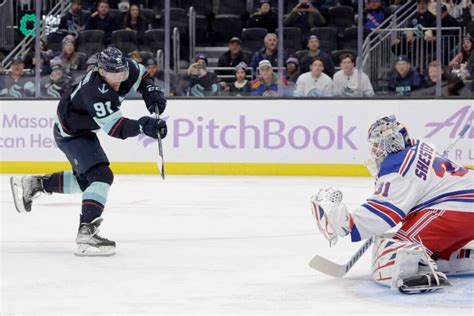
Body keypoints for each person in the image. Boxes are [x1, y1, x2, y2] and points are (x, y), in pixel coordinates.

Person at [9, 47, 167, 256]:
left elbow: (143, 76)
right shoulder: (94, 91)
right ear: (101, 71)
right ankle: (87, 231)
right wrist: (142, 125)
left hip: (82, 129)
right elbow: (115, 128)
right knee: (101, 176)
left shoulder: (126, 67)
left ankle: (36, 184)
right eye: (113, 75)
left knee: (85, 182)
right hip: (71, 133)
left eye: (121, 73)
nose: (119, 79)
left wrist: (150, 90)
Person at [311, 115, 473, 294]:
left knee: (395, 253)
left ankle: (419, 273)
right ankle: (456, 257)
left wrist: (349, 224)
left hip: (457, 209)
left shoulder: (397, 166)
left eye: (378, 145)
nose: (376, 150)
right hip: (463, 205)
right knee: (430, 250)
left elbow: (384, 212)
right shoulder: (418, 145)